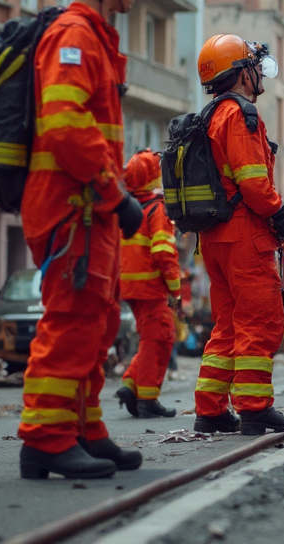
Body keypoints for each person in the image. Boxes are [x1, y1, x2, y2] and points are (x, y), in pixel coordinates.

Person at [15, 0, 152, 480]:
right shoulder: (73, 37)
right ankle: (45, 439)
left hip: (88, 212)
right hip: (72, 209)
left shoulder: (96, 38)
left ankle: (84, 428)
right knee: (71, 320)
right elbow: (68, 129)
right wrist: (112, 191)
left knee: (93, 324)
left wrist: (117, 191)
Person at [191, 34, 284, 437]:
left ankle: (210, 409)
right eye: (255, 66)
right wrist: (283, 221)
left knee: (227, 324)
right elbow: (254, 183)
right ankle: (254, 408)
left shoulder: (209, 115)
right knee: (259, 321)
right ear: (241, 72)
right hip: (244, 234)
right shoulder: (241, 115)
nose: (260, 74)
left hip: (213, 237)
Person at [115, 150, 183, 419]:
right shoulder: (157, 210)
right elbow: (164, 253)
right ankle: (148, 399)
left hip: (130, 288)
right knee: (161, 337)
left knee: (149, 339)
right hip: (151, 287)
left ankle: (131, 386)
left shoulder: (128, 209)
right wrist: (175, 291)